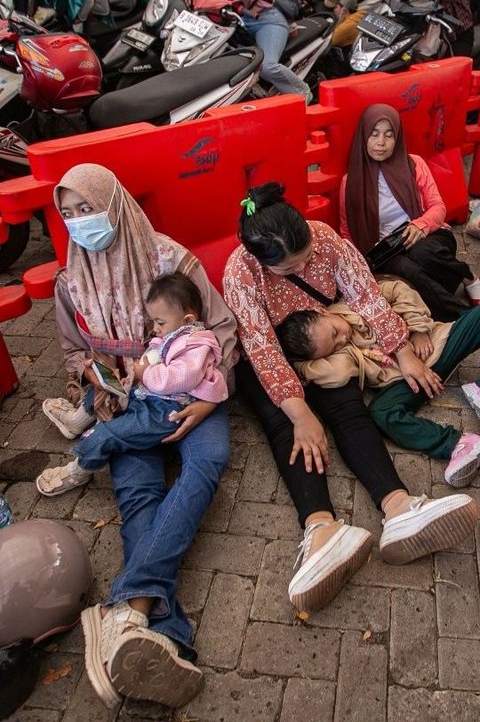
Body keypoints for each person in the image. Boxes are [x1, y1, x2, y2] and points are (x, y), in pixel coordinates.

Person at [223, 181, 477, 612]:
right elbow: (262, 348)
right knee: (288, 425)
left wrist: (402, 352)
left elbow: (367, 295)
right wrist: (300, 410)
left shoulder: (323, 236)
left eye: (305, 259)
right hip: (267, 354)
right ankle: (321, 530)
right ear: (262, 259)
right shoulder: (240, 272)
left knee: (347, 410)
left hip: (325, 336)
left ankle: (399, 508)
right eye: (290, 269)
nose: (303, 269)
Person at [41, 163, 236, 709]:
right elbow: (74, 351)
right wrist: (95, 378)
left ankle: (126, 609)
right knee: (138, 491)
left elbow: (222, 332)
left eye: (89, 208)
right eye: (69, 213)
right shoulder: (70, 279)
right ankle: (153, 629)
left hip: (197, 393)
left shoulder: (172, 261)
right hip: (129, 401)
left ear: (116, 205)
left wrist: (201, 405)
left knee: (206, 464)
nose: (80, 223)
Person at [37, 272, 228, 496]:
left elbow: (180, 378)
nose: (155, 328)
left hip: (168, 410)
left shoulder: (196, 344)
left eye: (160, 322)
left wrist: (146, 373)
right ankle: (76, 421)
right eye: (152, 321)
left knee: (108, 433)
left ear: (187, 320)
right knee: (106, 387)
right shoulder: (171, 336)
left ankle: (80, 468)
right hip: (150, 396)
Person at [276, 279, 480, 487]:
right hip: (407, 383)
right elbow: (334, 374)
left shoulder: (357, 303)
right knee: (381, 413)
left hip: (440, 345)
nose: (342, 339)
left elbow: (398, 289)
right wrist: (300, 365)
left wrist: (419, 330)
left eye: (335, 332)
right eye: (332, 347)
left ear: (324, 312)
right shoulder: (343, 353)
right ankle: (458, 444)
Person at [339, 104, 480, 322]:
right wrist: (357, 265)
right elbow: (347, 230)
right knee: (405, 269)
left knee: (422, 253)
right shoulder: (350, 182)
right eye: (374, 134)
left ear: (397, 138)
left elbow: (438, 206)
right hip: (387, 250)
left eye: (389, 135)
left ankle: (469, 278)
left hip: (427, 235)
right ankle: (467, 319)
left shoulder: (414, 164)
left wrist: (420, 225)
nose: (381, 143)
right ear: (363, 137)